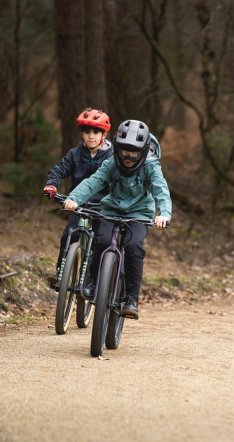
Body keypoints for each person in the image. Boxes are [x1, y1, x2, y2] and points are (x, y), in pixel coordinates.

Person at [63, 119, 172, 319]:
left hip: (139, 213)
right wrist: (73, 199)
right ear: (117, 148)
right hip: (111, 209)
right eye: (124, 152)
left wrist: (164, 213)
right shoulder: (112, 161)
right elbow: (94, 182)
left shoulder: (151, 165)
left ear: (144, 150)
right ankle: (93, 282)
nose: (128, 158)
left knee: (133, 247)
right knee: (102, 240)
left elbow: (160, 189)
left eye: (134, 153)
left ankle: (131, 298)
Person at [43, 108, 113, 285]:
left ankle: (93, 280)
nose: (91, 136)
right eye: (86, 131)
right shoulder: (75, 154)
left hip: (102, 207)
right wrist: (52, 183)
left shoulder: (112, 156)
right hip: (78, 204)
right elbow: (59, 169)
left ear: (104, 134)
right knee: (69, 234)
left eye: (96, 132)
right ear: (81, 134)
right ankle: (61, 272)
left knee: (100, 241)